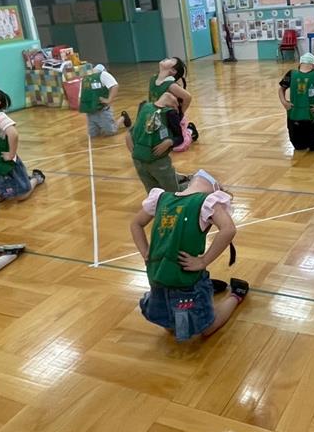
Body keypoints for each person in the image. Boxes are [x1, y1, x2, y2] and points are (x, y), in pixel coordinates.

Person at [129, 169, 247, 342]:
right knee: (171, 326)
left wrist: (145, 251)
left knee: (206, 328)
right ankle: (207, 290)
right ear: (216, 189)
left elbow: (135, 224)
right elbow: (228, 229)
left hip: (181, 280)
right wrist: (146, 253)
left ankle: (236, 295)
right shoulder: (167, 198)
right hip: (160, 278)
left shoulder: (170, 199)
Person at [126, 91, 189, 193]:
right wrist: (129, 134)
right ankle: (182, 180)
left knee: (172, 192)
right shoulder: (145, 107)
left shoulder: (169, 113)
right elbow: (137, 126)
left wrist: (170, 142)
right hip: (139, 159)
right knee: (153, 192)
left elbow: (180, 138)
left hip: (158, 160)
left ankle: (192, 184)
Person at [279, 52, 314, 151]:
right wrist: (284, 102)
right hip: (294, 116)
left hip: (311, 116)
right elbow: (281, 88)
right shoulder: (291, 74)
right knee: (299, 147)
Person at [80, 63, 129, 138]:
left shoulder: (103, 75)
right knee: (92, 135)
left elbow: (115, 86)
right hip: (90, 111)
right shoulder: (86, 79)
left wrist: (109, 100)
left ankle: (124, 117)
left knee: (111, 132)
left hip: (102, 110)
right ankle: (102, 125)